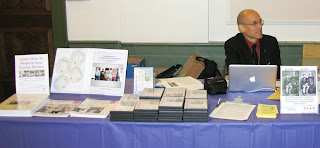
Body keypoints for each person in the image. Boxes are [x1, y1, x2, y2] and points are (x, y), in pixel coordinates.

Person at [224, 9, 281, 78]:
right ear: (242, 28)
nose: (260, 26)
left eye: (260, 22)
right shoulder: (232, 45)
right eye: (254, 23)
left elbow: (277, 72)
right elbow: (236, 74)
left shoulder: (271, 42)